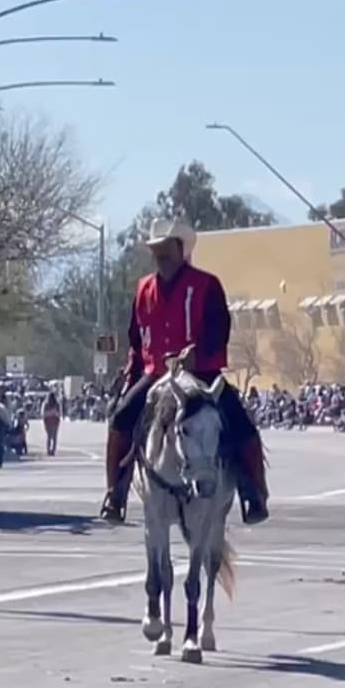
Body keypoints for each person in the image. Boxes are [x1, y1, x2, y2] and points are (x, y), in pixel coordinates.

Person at [100, 219, 270, 526]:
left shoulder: (207, 285)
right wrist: (131, 374)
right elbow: (136, 339)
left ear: (181, 249)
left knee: (241, 425)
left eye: (166, 248)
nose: (160, 254)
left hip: (202, 373)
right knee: (121, 419)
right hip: (155, 373)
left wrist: (199, 354)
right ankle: (116, 492)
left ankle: (253, 492)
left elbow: (220, 331)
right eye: (156, 249)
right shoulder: (143, 289)